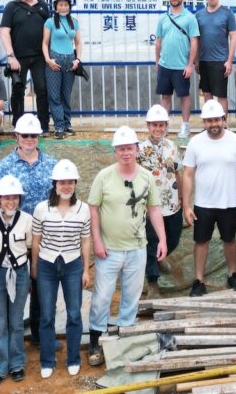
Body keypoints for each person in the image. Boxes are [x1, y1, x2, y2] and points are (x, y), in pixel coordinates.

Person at [87, 126, 165, 367]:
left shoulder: (146, 177)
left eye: (129, 148)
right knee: (102, 297)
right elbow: (93, 208)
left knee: (131, 297)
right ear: (115, 151)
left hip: (137, 248)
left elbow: (153, 209)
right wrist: (97, 241)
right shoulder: (104, 176)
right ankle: (96, 341)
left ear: (136, 149)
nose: (125, 153)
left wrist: (162, 238)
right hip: (109, 249)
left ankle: (124, 339)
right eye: (121, 149)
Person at [0, 113, 57, 344]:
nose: (29, 139)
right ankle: (9, 340)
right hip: (12, 240)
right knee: (10, 291)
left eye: (33, 135)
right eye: (25, 135)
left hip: (44, 239)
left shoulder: (52, 166)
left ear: (39, 137)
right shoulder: (2, 168)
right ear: (16, 136)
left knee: (43, 291)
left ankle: (40, 335)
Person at [182, 99, 236, 296]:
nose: (213, 124)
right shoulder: (195, 143)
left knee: (229, 239)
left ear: (224, 119)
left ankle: (233, 275)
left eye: (217, 120)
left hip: (228, 203)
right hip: (203, 204)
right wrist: (186, 206)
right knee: (201, 241)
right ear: (204, 122)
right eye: (209, 120)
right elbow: (187, 175)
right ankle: (199, 280)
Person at [31, 160, 91, 379]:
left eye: (70, 182)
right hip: (46, 264)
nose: (66, 186)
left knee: (74, 313)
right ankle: (47, 360)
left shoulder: (83, 209)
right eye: (62, 182)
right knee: (46, 314)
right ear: (54, 184)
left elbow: (85, 240)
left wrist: (86, 270)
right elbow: (36, 240)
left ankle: (73, 358)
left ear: (75, 184)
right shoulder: (41, 208)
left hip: (73, 264)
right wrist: (35, 267)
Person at [0, 174, 32, 386]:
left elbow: (28, 246)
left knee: (17, 322)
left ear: (20, 199)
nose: (11, 202)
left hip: (19, 274)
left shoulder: (27, 220)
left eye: (15, 198)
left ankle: (17, 364)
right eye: (6, 198)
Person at [137, 104, 184, 299]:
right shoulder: (139, 149)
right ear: (148, 126)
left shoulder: (172, 147)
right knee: (151, 243)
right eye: (154, 125)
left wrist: (182, 196)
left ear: (166, 126)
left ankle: (160, 257)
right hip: (150, 206)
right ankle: (153, 284)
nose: (158, 129)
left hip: (172, 203)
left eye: (161, 125)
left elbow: (177, 172)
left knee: (173, 238)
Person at [0, 0, 52, 132]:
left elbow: (49, 30)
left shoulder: (43, 6)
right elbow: (4, 31)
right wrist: (10, 56)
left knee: (42, 89)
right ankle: (18, 124)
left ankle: (43, 124)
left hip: (39, 57)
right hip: (18, 57)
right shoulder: (12, 7)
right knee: (18, 90)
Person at [155, 0, 200, 138]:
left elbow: (194, 41)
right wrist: (157, 61)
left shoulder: (190, 18)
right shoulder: (163, 18)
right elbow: (159, 40)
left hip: (181, 66)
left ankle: (185, 126)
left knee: (184, 96)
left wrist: (190, 64)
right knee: (165, 96)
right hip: (165, 65)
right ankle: (163, 126)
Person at [42, 0, 82, 139]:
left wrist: (77, 59)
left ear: (69, 6)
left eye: (66, 4)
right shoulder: (50, 22)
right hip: (54, 59)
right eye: (60, 5)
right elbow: (44, 43)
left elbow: (78, 42)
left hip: (70, 60)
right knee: (54, 95)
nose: (63, 7)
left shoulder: (75, 22)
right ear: (55, 6)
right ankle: (59, 126)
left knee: (66, 94)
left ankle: (67, 123)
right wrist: (48, 59)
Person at [195, 0, 236, 115]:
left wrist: (229, 60)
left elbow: (233, 37)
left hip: (220, 61)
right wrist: (196, 60)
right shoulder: (199, 15)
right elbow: (197, 39)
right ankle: (209, 120)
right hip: (204, 60)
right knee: (207, 93)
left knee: (221, 95)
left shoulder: (227, 13)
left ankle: (222, 123)